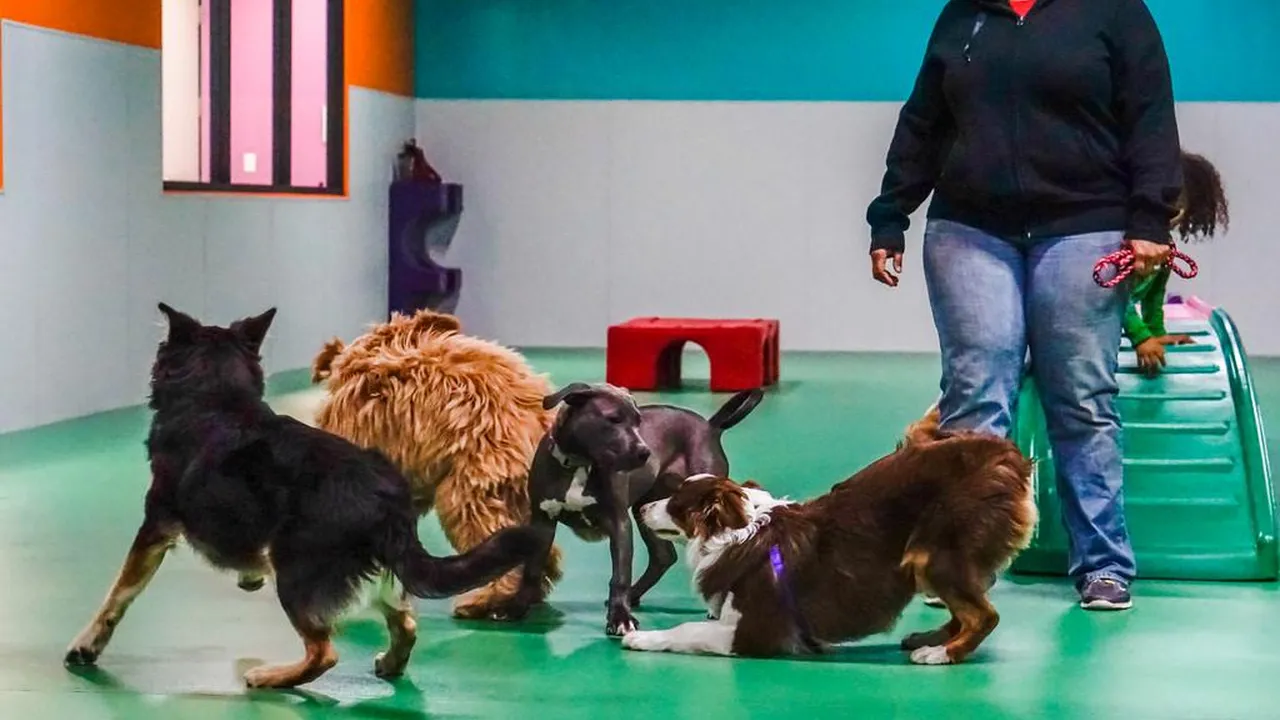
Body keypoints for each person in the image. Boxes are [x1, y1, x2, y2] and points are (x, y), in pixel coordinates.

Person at [866, 0, 1182, 610]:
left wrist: (1151, 218)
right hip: (969, 228)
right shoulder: (963, 15)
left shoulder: (1113, 12)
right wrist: (890, 216)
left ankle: (1103, 565)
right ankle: (961, 566)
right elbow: (923, 122)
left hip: (1085, 224)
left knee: (1081, 398)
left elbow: (1150, 116)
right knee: (974, 396)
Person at [1128, 152, 1230, 376]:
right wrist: (1141, 337)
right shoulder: (1126, 243)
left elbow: (1154, 295)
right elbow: (1113, 298)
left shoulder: (1164, 248)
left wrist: (1156, 331)